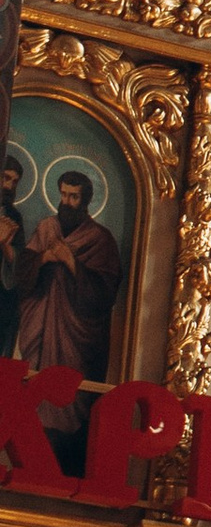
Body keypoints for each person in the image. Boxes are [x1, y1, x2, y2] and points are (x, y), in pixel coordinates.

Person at [16, 162, 124, 440]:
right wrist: (44, 258)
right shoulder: (46, 228)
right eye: (63, 194)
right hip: (40, 323)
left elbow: (104, 293)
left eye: (73, 196)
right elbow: (22, 271)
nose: (66, 202)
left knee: (67, 394)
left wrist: (71, 262)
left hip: (75, 336)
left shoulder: (100, 239)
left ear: (85, 200)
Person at [0, 149, 24, 360]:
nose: (9, 186)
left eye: (14, 182)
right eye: (6, 178)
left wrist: (5, 245)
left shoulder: (14, 217)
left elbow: (18, 262)